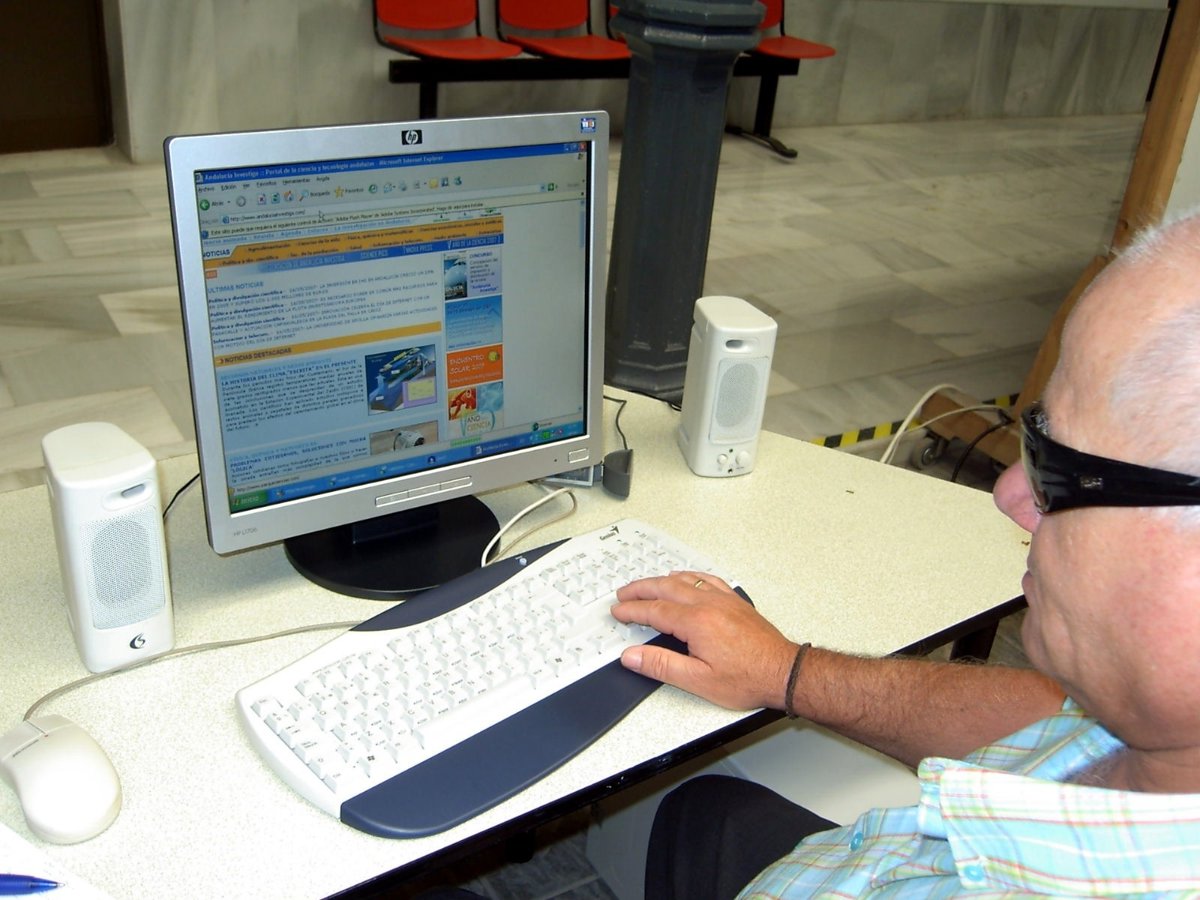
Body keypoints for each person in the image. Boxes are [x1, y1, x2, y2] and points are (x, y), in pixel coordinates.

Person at [609, 211, 1200, 897]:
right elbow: (1051, 719)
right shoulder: (1161, 728)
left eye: (1056, 464)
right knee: (703, 815)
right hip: (857, 859)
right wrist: (787, 671)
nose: (1009, 492)